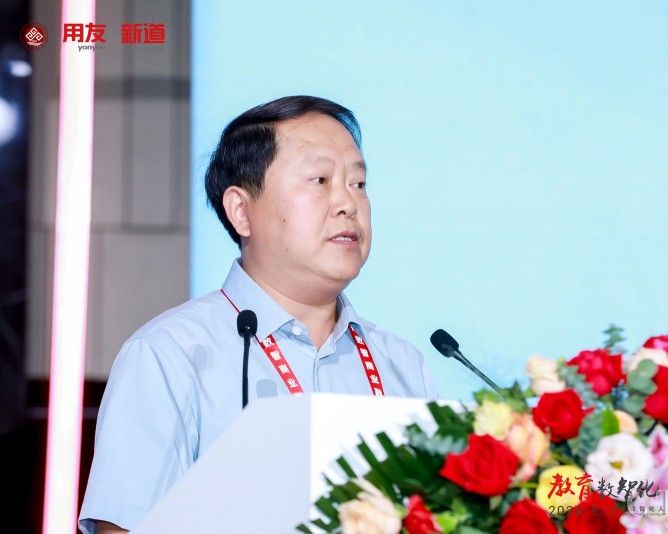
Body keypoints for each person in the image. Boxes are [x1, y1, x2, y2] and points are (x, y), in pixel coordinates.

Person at [78, 96, 438, 533]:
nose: (348, 203)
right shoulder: (169, 354)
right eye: (320, 180)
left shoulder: (401, 363)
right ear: (241, 211)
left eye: (358, 183)